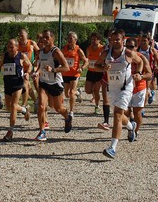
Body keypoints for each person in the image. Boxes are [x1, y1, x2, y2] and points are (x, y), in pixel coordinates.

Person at [94, 30, 143, 158]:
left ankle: (112, 148)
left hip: (126, 88)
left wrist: (139, 73)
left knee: (116, 114)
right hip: (112, 88)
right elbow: (96, 65)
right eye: (113, 39)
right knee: (120, 116)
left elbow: (140, 62)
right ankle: (131, 126)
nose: (115, 41)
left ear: (123, 41)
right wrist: (103, 68)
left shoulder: (128, 53)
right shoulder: (106, 53)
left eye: (118, 39)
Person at [31, 29, 73, 141]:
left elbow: (66, 67)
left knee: (58, 108)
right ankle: (42, 131)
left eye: (47, 37)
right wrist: (36, 73)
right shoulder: (40, 52)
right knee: (41, 106)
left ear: (52, 39)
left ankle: (68, 117)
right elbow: (40, 67)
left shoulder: (56, 52)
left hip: (55, 83)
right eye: (43, 37)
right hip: (44, 82)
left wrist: (53, 69)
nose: (44, 39)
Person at [0, 39, 32, 141]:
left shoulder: (21, 56)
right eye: (8, 46)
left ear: (17, 47)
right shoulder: (4, 56)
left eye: (12, 47)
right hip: (7, 83)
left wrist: (27, 73)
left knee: (13, 105)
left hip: (18, 83)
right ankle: (25, 110)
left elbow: (29, 65)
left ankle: (10, 131)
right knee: (9, 108)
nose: (10, 49)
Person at [61, 31, 88, 116]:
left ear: (75, 40)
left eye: (71, 38)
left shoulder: (78, 50)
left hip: (74, 73)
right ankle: (78, 93)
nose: (69, 40)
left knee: (71, 92)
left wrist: (82, 68)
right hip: (65, 74)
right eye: (68, 38)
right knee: (66, 93)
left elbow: (86, 61)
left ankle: (71, 111)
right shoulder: (63, 49)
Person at [85, 32, 109, 127]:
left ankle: (97, 105)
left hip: (100, 73)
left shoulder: (102, 49)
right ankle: (95, 96)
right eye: (92, 39)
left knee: (96, 89)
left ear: (99, 40)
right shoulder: (88, 48)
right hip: (91, 72)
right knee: (87, 90)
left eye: (95, 39)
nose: (93, 41)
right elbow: (87, 59)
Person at [17, 29, 40, 111]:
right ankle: (35, 101)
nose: (20, 37)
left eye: (22, 35)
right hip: (22, 68)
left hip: (31, 67)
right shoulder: (17, 44)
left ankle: (25, 105)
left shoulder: (32, 43)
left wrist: (36, 61)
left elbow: (40, 53)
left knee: (28, 84)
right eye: (19, 35)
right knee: (27, 85)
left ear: (27, 35)